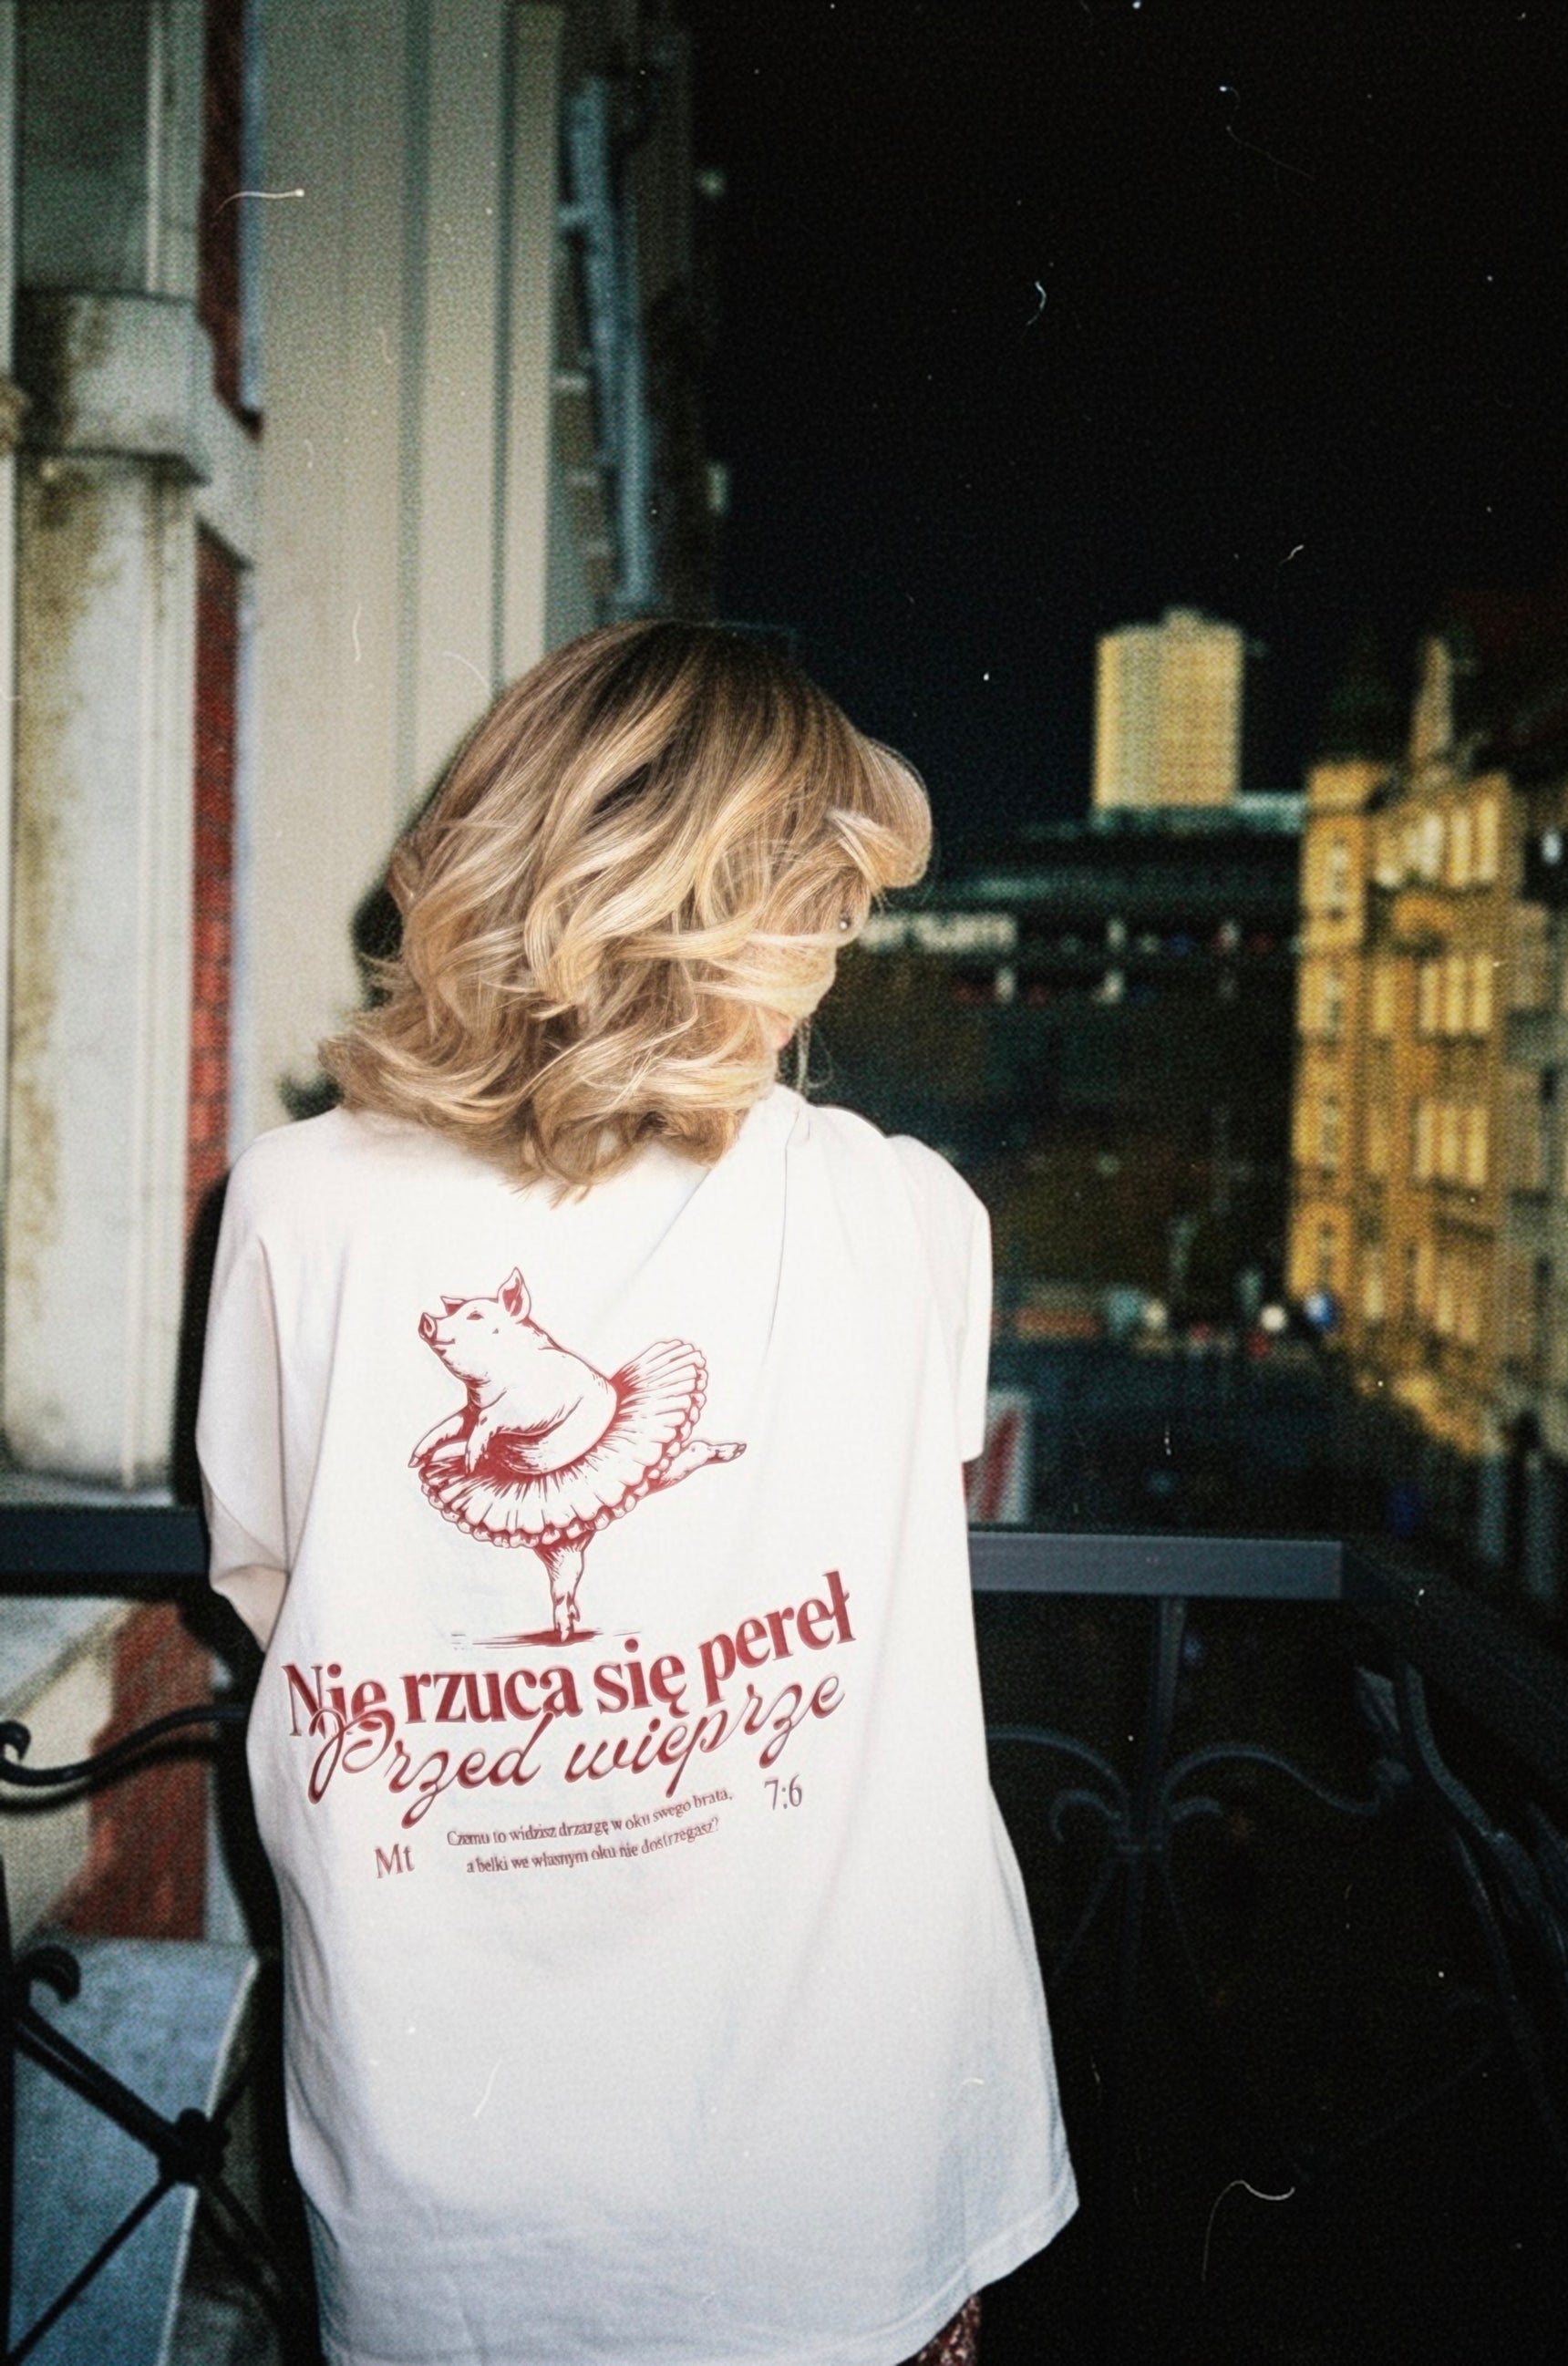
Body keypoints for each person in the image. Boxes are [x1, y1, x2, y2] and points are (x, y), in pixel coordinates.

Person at [198, 620, 1077, 2366]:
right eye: (825, 903)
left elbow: (269, 1579)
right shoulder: (907, 1213)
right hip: (842, 2166)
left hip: (454, 2160)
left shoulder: (296, 1202)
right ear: (730, 909)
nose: (838, 954)